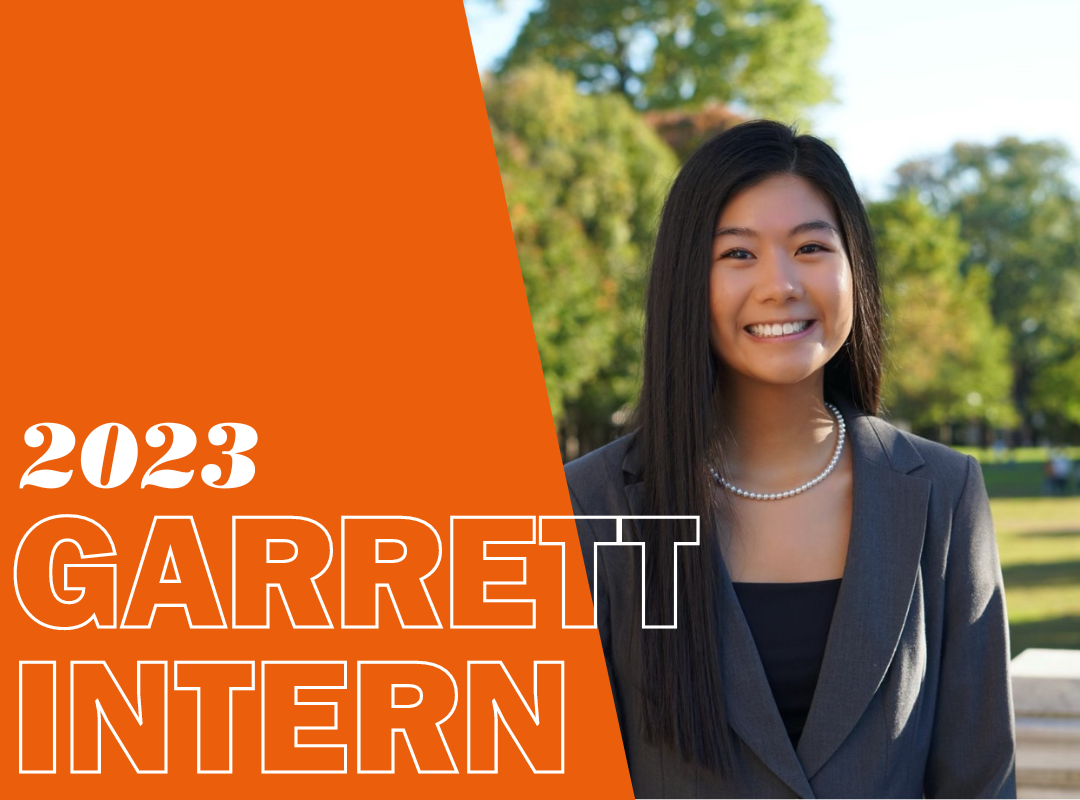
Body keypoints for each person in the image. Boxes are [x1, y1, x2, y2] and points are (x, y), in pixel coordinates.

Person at [565, 120, 1016, 798]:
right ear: (687, 281)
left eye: (810, 246)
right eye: (738, 255)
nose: (780, 284)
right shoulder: (588, 506)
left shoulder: (944, 495)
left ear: (853, 268)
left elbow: (980, 781)